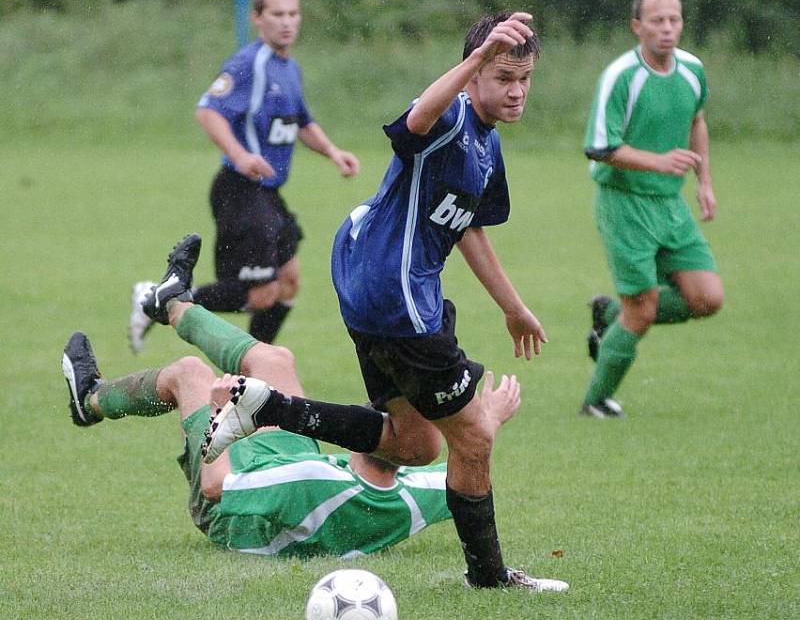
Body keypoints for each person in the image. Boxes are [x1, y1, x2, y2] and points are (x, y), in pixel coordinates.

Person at [285, 11, 563, 592]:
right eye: (503, 75)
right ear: (473, 76)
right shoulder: (453, 116)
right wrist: (474, 57)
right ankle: (488, 577)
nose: (516, 91)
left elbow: (468, 230)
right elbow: (416, 119)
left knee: (415, 444)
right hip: (398, 294)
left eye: (525, 78)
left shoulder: (487, 147)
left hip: (376, 287)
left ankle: (266, 408)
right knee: (475, 436)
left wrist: (513, 307)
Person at [63, 235, 545, 566]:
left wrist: (216, 412)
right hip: (279, 464)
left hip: (234, 503)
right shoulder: (410, 495)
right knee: (276, 359)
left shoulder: (310, 481)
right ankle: (172, 302)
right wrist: (487, 423)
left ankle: (92, 399)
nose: (380, 415)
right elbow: (464, 477)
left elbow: (216, 487)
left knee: (190, 374)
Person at [129, 0, 359, 354]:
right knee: (263, 292)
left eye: (293, 14)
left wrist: (333, 152)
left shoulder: (289, 68)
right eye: (277, 14)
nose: (287, 22)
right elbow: (208, 111)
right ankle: (158, 301)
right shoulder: (248, 64)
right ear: (257, 18)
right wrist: (240, 155)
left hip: (267, 194)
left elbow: (301, 122)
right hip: (239, 190)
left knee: (288, 282)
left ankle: (252, 374)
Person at [581, 0, 724, 418]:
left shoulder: (693, 70)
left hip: (671, 205)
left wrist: (704, 182)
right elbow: (599, 147)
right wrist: (658, 161)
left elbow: (696, 121)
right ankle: (596, 402)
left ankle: (610, 320)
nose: (667, 28)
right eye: (657, 20)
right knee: (641, 310)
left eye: (674, 19)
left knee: (707, 298)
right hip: (624, 203)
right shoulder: (621, 75)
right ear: (637, 26)